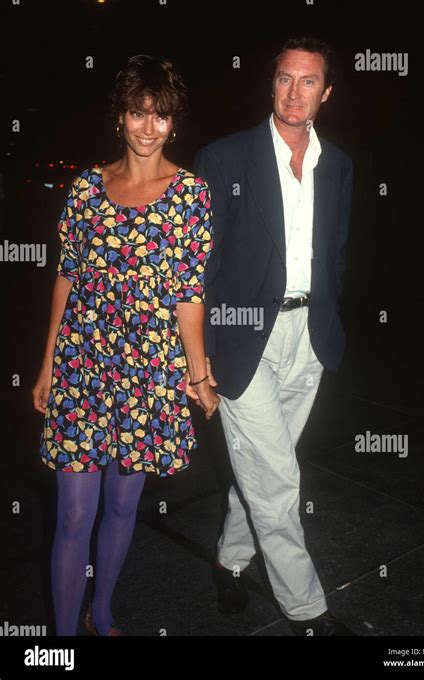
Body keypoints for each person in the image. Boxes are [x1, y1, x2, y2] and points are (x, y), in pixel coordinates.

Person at [32, 54, 218, 636]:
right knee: (75, 513)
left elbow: (189, 293)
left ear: (173, 122)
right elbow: (67, 275)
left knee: (120, 507)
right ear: (120, 117)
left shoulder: (190, 194)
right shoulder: (87, 188)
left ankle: (102, 611)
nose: (147, 127)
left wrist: (197, 374)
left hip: (148, 374)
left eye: (160, 116)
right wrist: (45, 367)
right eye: (138, 113)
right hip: (82, 365)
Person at [192, 36, 354, 636]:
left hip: (307, 336)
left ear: (326, 92)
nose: (294, 92)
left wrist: (327, 322)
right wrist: (199, 352)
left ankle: (230, 561)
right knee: (280, 481)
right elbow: (198, 265)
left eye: (308, 81)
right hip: (241, 341)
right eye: (285, 78)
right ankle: (306, 610)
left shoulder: (338, 166)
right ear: (271, 84)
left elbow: (334, 255)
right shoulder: (225, 158)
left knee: (263, 467)